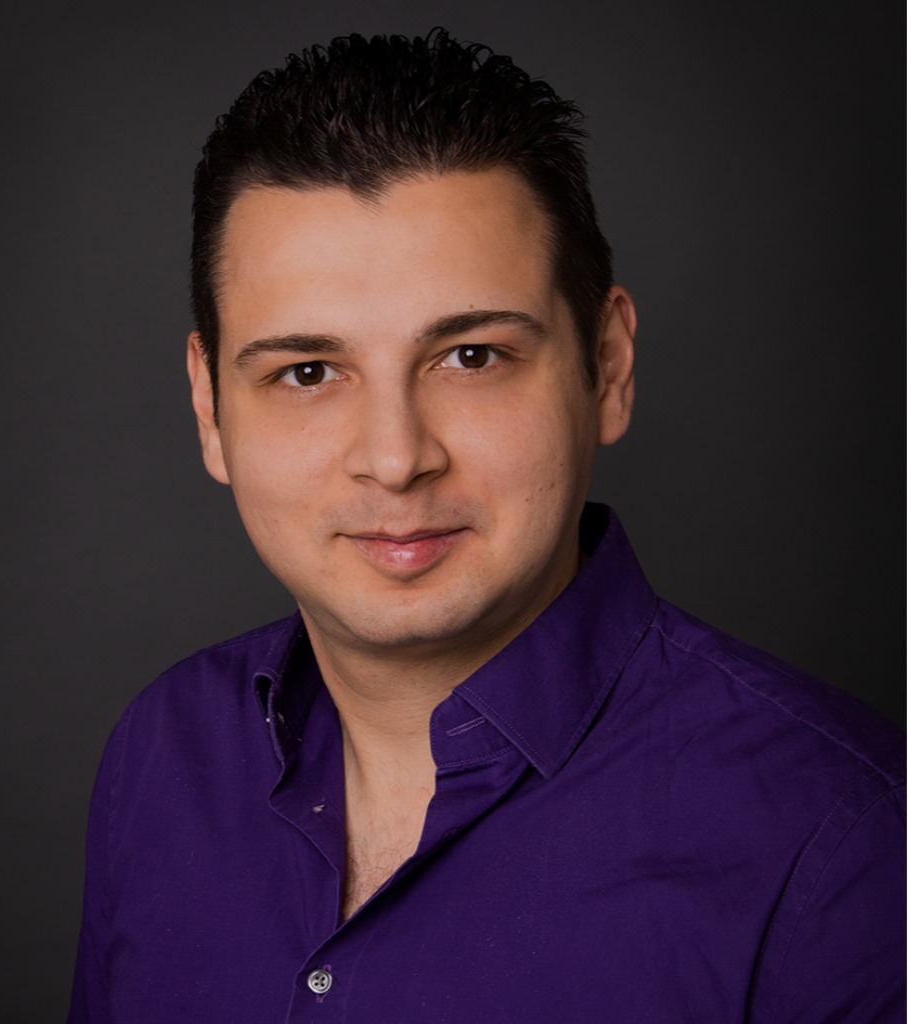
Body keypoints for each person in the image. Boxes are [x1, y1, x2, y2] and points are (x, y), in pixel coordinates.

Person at [68, 30, 904, 1022]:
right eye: (307, 372)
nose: (395, 457)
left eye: (471, 357)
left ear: (608, 365)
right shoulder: (163, 755)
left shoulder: (848, 847)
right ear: (210, 408)